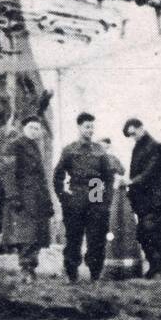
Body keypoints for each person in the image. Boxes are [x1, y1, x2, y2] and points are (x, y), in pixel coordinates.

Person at [53, 112, 115, 284]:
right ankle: (72, 273)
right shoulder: (70, 149)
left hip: (95, 191)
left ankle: (95, 273)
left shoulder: (99, 150)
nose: (90, 130)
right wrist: (63, 196)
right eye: (87, 126)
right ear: (79, 127)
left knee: (96, 236)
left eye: (92, 127)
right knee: (74, 236)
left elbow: (108, 177)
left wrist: (105, 200)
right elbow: (58, 175)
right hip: (77, 192)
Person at [0, 115, 55, 283]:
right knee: (26, 235)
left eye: (37, 128)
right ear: (24, 128)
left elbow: (42, 177)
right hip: (23, 196)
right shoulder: (15, 145)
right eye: (31, 127)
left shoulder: (35, 147)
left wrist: (48, 201)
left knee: (37, 234)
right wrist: (12, 196)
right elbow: (7, 172)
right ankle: (26, 270)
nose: (34, 131)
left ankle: (31, 269)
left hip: (37, 197)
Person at [121, 118, 161, 278]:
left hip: (155, 201)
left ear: (141, 128)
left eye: (134, 133)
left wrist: (131, 182)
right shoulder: (139, 147)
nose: (133, 137)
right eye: (130, 135)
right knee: (144, 234)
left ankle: (158, 269)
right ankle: (154, 267)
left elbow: (149, 173)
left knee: (154, 234)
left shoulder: (158, 148)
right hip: (143, 202)